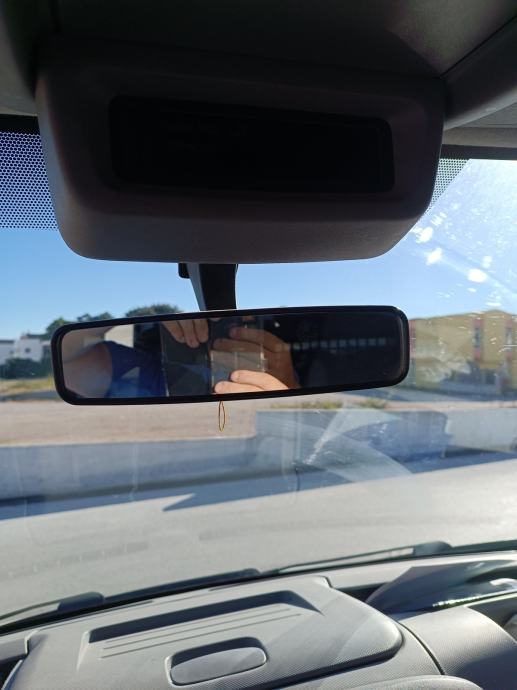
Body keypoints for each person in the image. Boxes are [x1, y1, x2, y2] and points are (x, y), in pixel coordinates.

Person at [61, 318, 296, 398]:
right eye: (209, 321)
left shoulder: (277, 372)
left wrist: (287, 390)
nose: (233, 333)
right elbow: (65, 362)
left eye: (243, 324)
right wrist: (156, 308)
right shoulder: (148, 372)